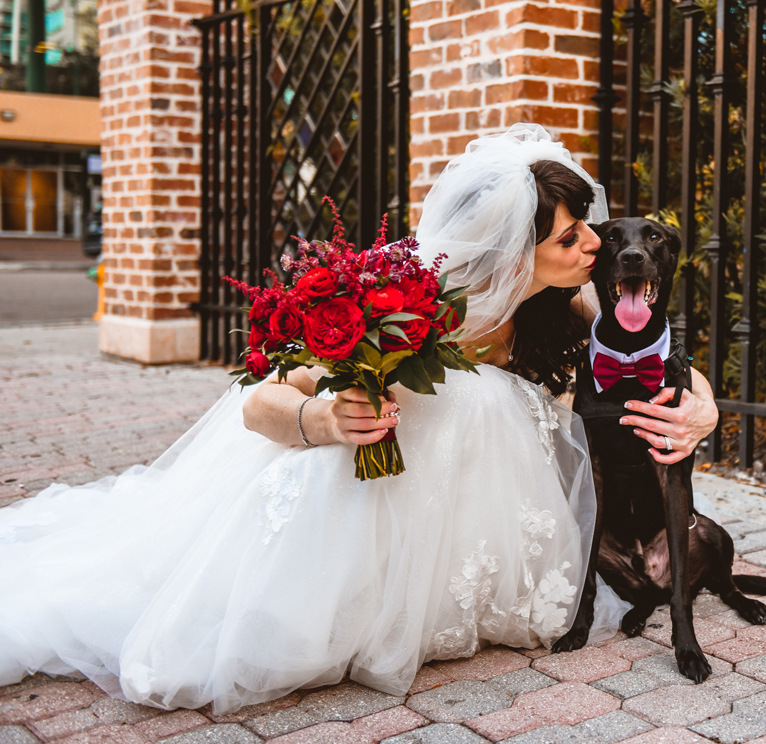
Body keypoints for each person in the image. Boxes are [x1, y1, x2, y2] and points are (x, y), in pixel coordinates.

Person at [0, 124, 719, 715]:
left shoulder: (573, 300)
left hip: (478, 503)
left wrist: (704, 408)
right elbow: (260, 402)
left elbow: (661, 352)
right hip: (362, 488)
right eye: (571, 241)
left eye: (587, 231)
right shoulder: (412, 290)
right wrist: (324, 416)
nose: (594, 248)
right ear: (514, 252)